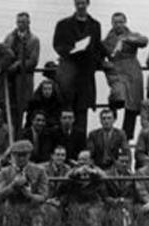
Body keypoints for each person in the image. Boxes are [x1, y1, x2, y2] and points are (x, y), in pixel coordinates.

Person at [52, 0, 106, 136]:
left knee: (82, 113)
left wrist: (101, 60)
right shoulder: (63, 24)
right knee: (66, 110)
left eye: (83, 3)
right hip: (69, 70)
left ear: (88, 3)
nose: (81, 6)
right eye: (78, 3)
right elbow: (57, 44)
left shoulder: (95, 25)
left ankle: (80, 149)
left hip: (85, 74)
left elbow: (97, 47)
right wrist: (71, 50)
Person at [102, 13, 149, 139]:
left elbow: (144, 41)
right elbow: (98, 54)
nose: (118, 25)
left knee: (132, 105)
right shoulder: (107, 40)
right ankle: (109, 130)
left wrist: (127, 39)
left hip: (133, 71)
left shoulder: (132, 35)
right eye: (116, 22)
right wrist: (104, 63)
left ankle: (127, 137)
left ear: (125, 22)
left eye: (121, 22)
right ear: (112, 23)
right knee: (117, 97)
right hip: (116, 70)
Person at [2, 13, 41, 134]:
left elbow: (33, 61)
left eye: (23, 22)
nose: (21, 25)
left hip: (24, 79)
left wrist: (19, 64)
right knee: (9, 109)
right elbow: (3, 54)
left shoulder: (34, 40)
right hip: (9, 80)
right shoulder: (9, 38)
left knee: (24, 109)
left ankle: (22, 134)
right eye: (19, 22)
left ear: (29, 23)